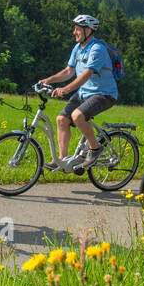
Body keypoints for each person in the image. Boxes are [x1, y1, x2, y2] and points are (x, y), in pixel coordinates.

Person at [37, 14, 118, 173]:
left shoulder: (97, 49)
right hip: (84, 93)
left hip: (104, 94)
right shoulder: (78, 48)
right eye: (74, 29)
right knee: (61, 119)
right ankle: (62, 161)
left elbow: (86, 74)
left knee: (77, 116)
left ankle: (95, 149)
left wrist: (66, 90)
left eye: (77, 29)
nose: (74, 32)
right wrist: (48, 80)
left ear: (88, 30)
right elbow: (68, 71)